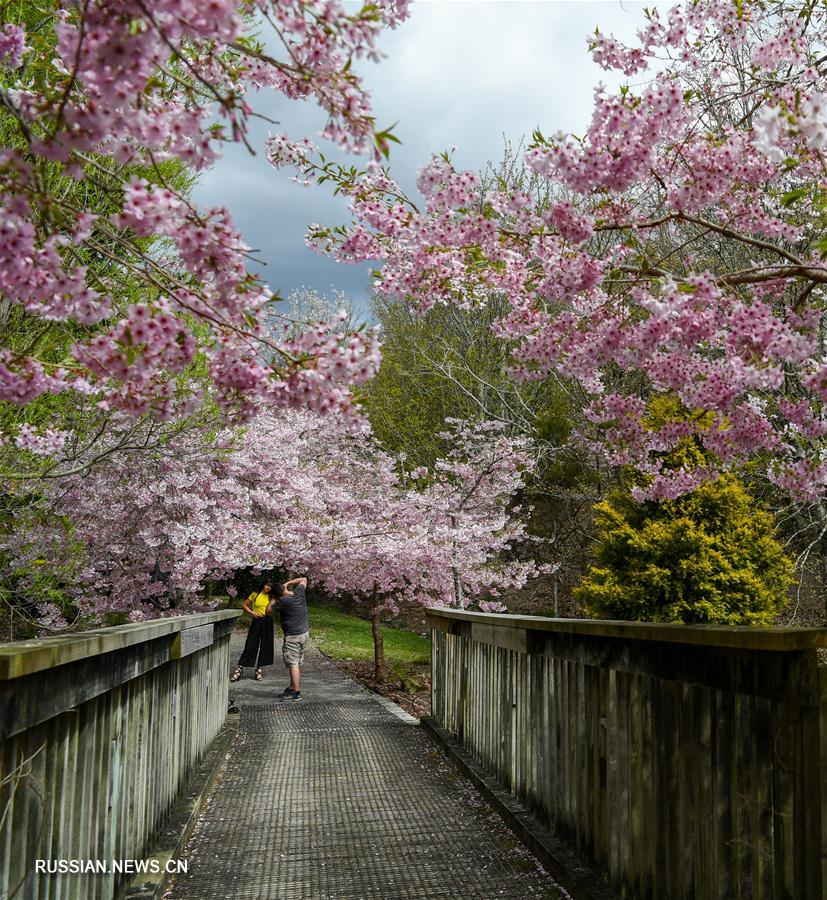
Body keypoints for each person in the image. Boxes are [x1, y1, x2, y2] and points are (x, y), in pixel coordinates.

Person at [268, 576, 309, 702]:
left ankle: (296, 693)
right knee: (296, 662)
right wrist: (288, 583)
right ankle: (292, 687)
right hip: (304, 634)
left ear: (276, 594)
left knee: (293, 664)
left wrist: (274, 598)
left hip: (293, 636)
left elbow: (268, 611)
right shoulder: (299, 593)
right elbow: (304, 579)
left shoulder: (283, 601)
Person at [230, 581, 274, 682]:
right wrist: (252, 613)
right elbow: (244, 605)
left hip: (267, 621)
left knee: (265, 645)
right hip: (257, 620)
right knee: (251, 644)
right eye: (267, 585)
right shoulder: (255, 594)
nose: (268, 588)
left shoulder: (272, 597)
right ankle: (239, 669)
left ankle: (259, 669)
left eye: (270, 586)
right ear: (263, 585)